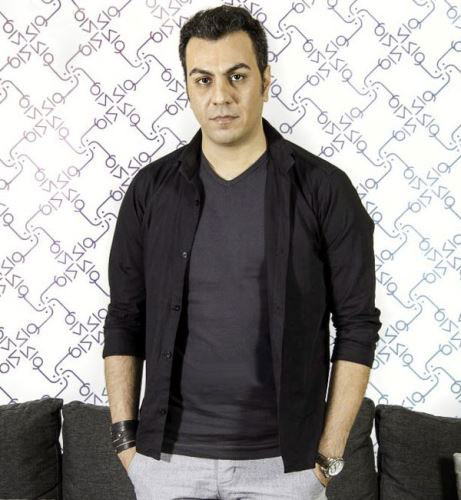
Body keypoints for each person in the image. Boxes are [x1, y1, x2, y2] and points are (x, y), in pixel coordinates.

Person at [102, 5, 382, 500]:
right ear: (187, 87)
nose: (221, 96)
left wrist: (327, 455)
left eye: (237, 76)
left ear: (265, 80)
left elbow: (357, 325)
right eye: (203, 80)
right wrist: (126, 441)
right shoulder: (151, 191)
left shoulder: (324, 189)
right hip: (167, 466)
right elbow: (125, 316)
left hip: (285, 470)